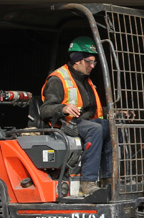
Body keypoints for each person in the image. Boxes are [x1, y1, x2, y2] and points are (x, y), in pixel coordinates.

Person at [39, 37, 112, 196]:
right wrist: (63, 108)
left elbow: (91, 108)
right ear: (77, 59)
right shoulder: (58, 79)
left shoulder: (85, 80)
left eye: (94, 62)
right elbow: (45, 110)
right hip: (65, 126)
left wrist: (114, 113)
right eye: (88, 62)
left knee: (111, 127)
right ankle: (88, 182)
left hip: (84, 122)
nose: (92, 66)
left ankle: (109, 179)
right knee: (96, 129)